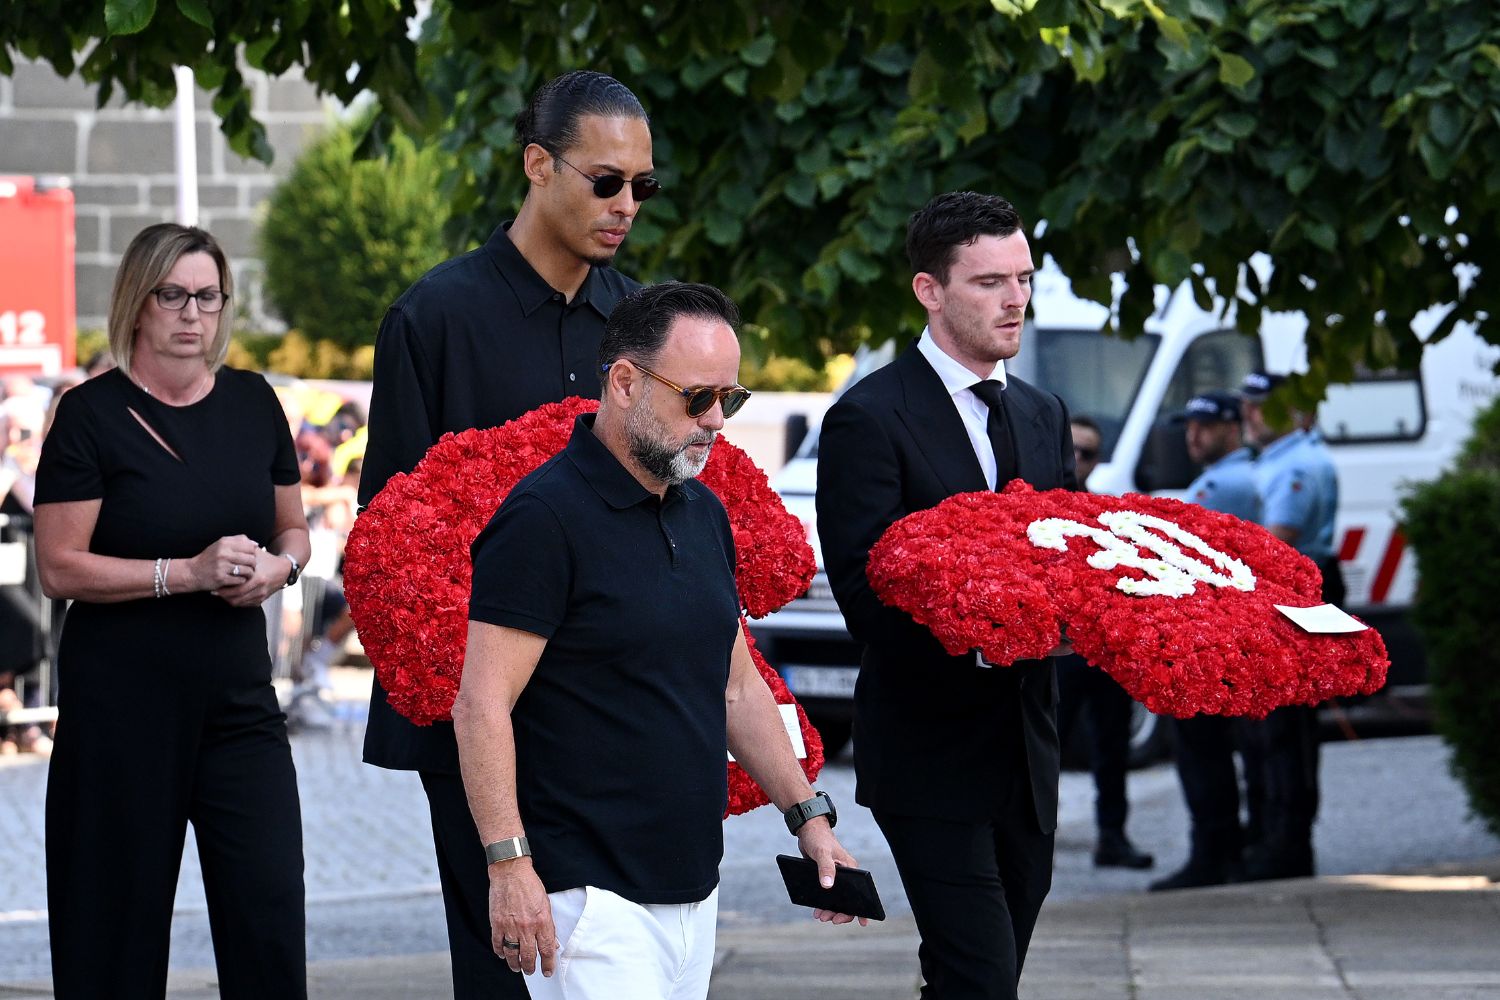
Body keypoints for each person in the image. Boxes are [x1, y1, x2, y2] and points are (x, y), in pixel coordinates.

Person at [454, 281, 862, 998]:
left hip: (694, 894)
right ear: (623, 382)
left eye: (729, 400)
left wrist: (809, 817)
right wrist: (509, 866)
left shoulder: (703, 512)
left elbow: (735, 685)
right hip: (588, 903)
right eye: (697, 397)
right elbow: (481, 705)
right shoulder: (542, 520)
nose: (716, 421)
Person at [356, 69, 656, 997]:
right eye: (606, 181)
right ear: (537, 165)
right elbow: (391, 549)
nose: (626, 206)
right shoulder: (434, 319)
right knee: (501, 976)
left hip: (614, 713)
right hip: (484, 711)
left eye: (644, 187)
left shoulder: (644, 326)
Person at [33, 223, 311, 998]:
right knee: (111, 945)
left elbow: (294, 529)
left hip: (238, 708)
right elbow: (57, 566)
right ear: (139, 301)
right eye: (175, 295)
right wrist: (183, 573)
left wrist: (279, 568)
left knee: (268, 924)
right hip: (121, 713)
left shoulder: (256, 403)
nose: (193, 314)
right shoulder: (89, 415)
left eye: (209, 297)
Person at [817, 191, 1076, 1000]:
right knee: (981, 977)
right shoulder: (868, 416)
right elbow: (865, 595)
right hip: (929, 753)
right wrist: (986, 630)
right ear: (930, 290)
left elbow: (1070, 562)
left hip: (1027, 756)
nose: (1015, 300)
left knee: (975, 978)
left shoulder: (1042, 413)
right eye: (989, 281)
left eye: (1024, 278)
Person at [1149, 390, 1262, 891]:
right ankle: (1230, 848)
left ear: (1235, 428)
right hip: (1231, 633)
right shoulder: (1235, 476)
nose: (1193, 437)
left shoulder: (1222, 483)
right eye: (1188, 426)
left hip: (1210, 637)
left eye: (1207, 426)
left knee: (1201, 748)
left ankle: (1213, 852)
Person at [1238, 370, 1342, 881]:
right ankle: (1273, 836)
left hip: (1294, 599)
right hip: (1289, 597)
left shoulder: (1296, 465)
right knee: (1270, 730)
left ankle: (1287, 843)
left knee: (1285, 732)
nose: (1249, 416)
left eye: (1261, 406)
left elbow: (1275, 544)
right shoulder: (1277, 461)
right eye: (1248, 405)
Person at [1055, 415, 1154, 870]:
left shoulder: (1105, 515)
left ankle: (1112, 836)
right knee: (1041, 746)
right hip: (1056, 653)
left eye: (1089, 453)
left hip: (1103, 652)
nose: (1078, 460)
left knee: (1111, 746)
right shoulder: (1037, 508)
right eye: (1071, 449)